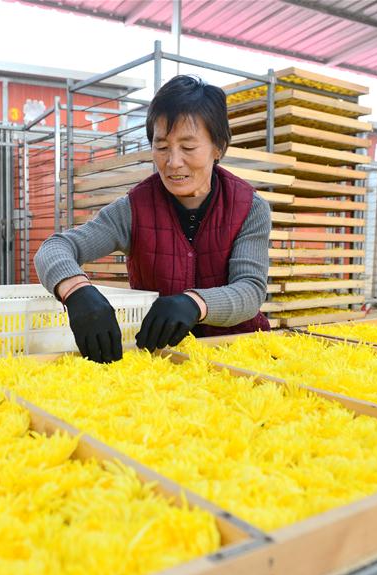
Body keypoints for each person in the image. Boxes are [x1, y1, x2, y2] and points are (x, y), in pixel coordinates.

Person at [35, 74, 271, 363]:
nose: (173, 162)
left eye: (188, 147)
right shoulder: (135, 209)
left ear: (218, 147)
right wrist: (76, 291)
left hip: (239, 354)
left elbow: (250, 290)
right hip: (163, 361)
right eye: (161, 147)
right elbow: (55, 247)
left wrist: (195, 303)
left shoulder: (249, 208)